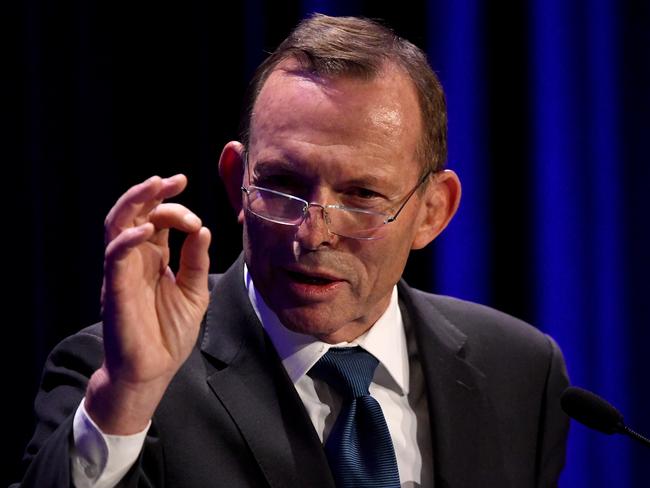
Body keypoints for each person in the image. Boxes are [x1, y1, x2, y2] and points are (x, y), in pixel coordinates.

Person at [12, 13, 569, 488]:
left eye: (361, 196)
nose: (312, 233)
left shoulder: (519, 371)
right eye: (282, 185)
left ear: (432, 211)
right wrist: (126, 396)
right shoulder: (115, 374)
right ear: (236, 181)